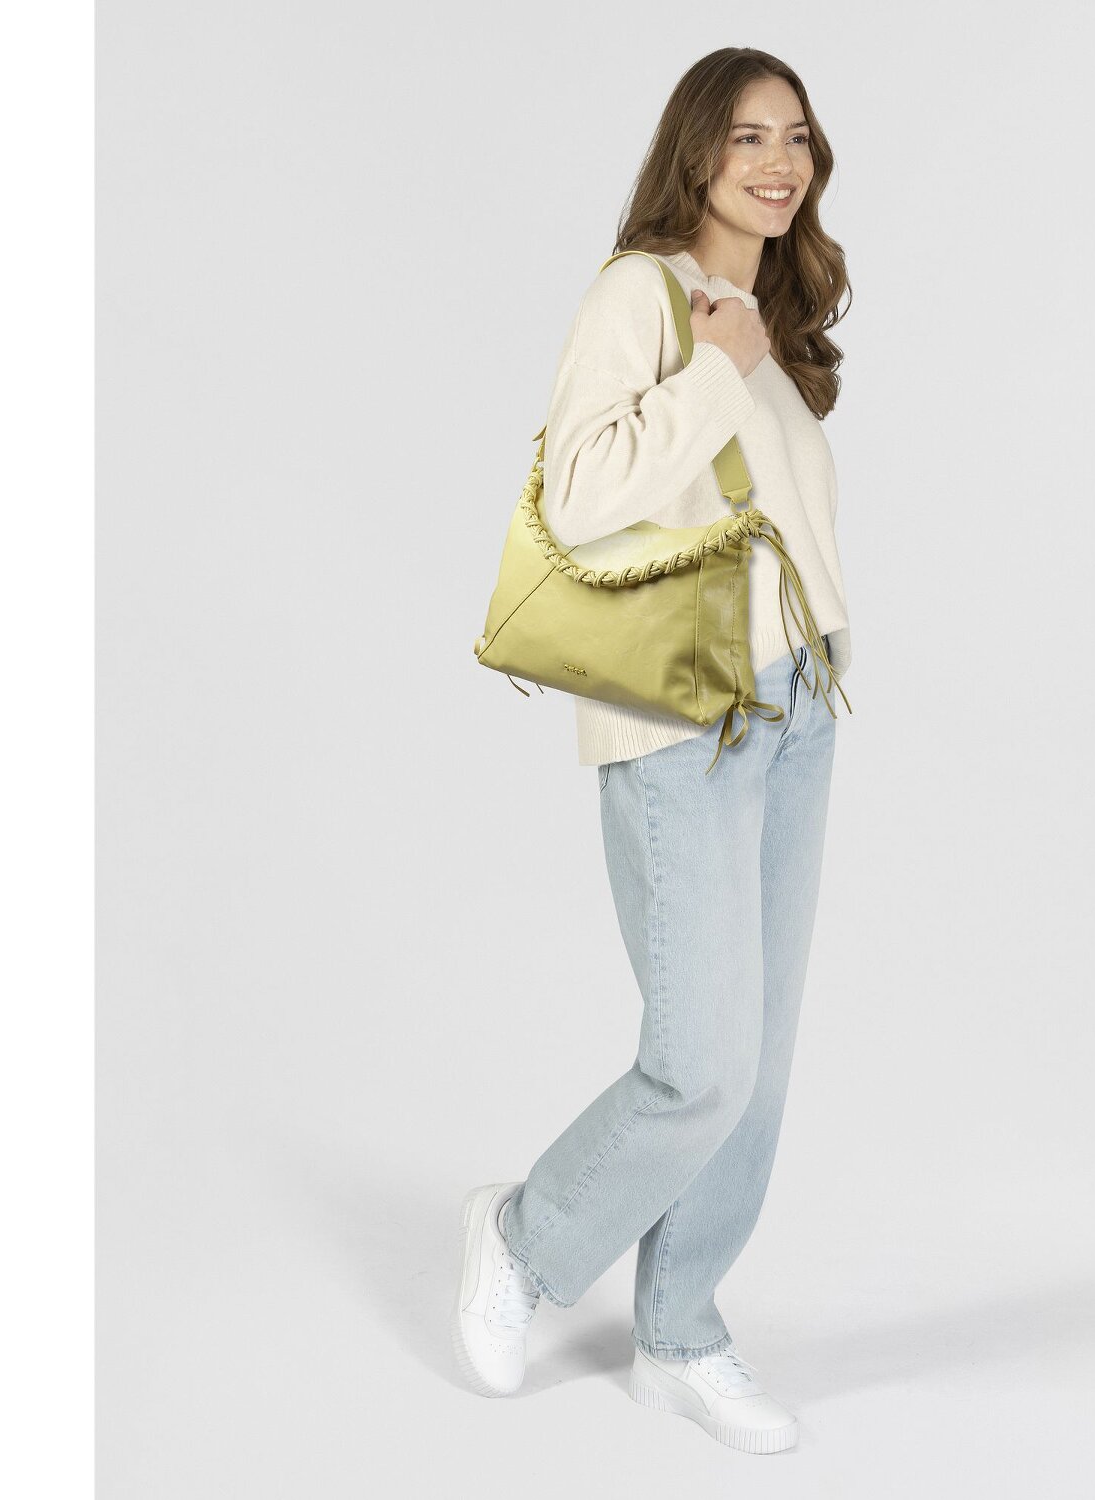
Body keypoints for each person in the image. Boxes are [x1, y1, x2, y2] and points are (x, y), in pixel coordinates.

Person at [454, 48, 854, 1455]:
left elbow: (781, 516)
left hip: (794, 707)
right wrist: (717, 374)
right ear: (695, 152)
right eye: (747, 136)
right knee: (700, 1063)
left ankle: (682, 1329)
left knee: (761, 1068)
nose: (778, 161)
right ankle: (523, 1237)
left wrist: (828, 646)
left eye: (795, 137)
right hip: (682, 715)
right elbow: (580, 493)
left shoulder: (765, 314)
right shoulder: (644, 295)